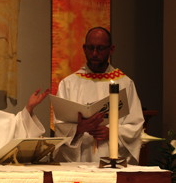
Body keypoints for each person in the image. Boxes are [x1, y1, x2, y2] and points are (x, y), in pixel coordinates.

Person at [54, 27, 144, 164]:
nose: (94, 53)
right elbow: (60, 125)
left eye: (100, 48)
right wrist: (78, 129)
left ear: (111, 49)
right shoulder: (68, 84)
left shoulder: (125, 84)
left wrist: (112, 133)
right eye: (90, 48)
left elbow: (135, 125)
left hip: (111, 158)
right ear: (84, 48)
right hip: (80, 160)